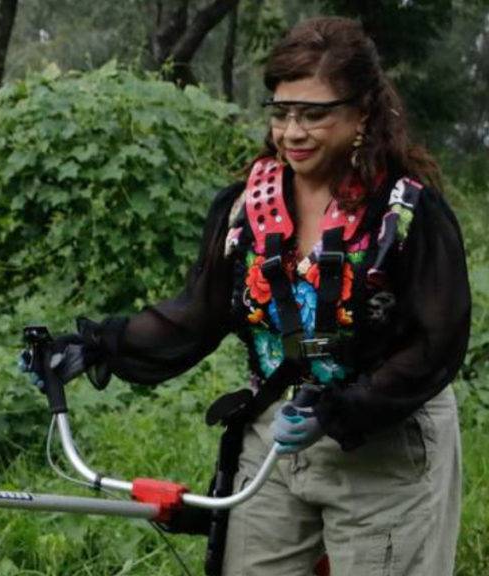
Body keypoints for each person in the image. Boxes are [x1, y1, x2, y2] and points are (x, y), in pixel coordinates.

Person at [35, 17, 471, 576]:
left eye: (315, 114)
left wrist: (343, 406)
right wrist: (94, 347)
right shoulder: (246, 208)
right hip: (275, 437)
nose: (293, 131)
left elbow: (437, 345)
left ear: (362, 113)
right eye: (282, 112)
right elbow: (195, 316)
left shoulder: (406, 213)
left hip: (385, 444)